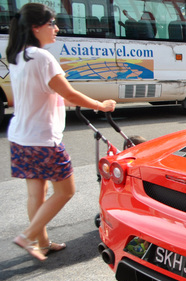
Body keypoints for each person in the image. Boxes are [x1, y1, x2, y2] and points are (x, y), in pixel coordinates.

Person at [7, 3, 116, 261]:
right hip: (43, 139)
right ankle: (28, 235)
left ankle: (42, 243)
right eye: (51, 24)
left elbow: (46, 92)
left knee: (37, 193)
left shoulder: (18, 56)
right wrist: (102, 105)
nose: (56, 29)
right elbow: (68, 92)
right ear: (36, 28)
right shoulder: (43, 58)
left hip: (21, 137)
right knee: (65, 191)